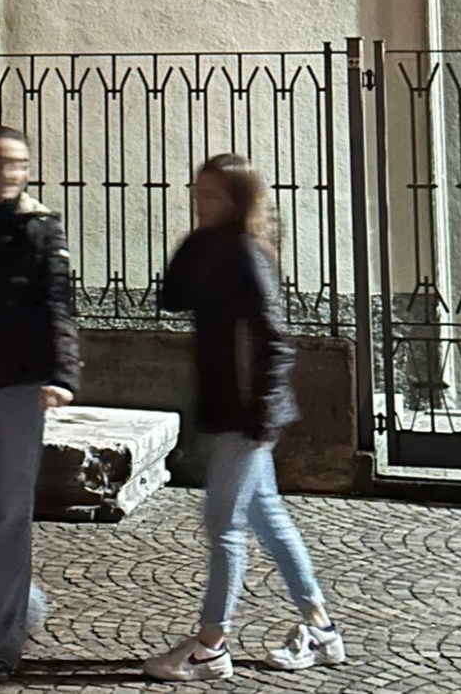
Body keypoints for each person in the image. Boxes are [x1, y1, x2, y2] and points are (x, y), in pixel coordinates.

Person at [143, 154, 345, 682]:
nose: (198, 201)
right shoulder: (213, 247)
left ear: (236, 200)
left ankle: (210, 646)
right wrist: (195, 238)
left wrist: (261, 415)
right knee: (267, 518)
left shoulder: (247, 254)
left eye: (210, 195)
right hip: (231, 409)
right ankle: (322, 629)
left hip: (247, 414)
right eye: (196, 192)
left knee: (223, 526)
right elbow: (171, 297)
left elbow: (276, 341)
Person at [0, 126, 80, 689]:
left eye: (21, 163)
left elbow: (58, 302)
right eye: (2, 162)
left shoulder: (40, 224)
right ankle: (17, 602)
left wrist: (62, 376)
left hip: (23, 383)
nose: (12, 173)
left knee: (12, 513)